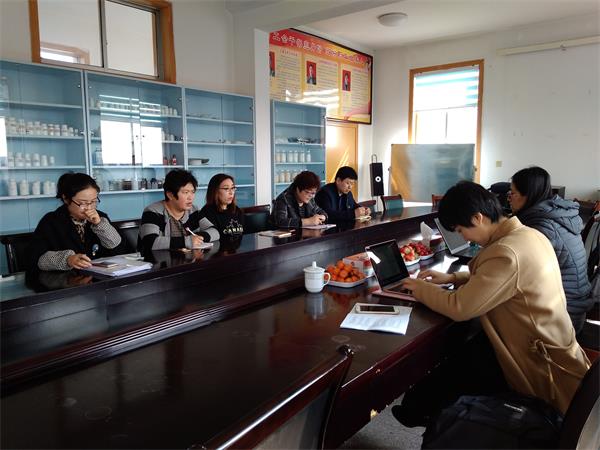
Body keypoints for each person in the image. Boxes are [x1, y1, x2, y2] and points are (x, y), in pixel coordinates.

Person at [399, 181, 589, 418]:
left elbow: (459, 307)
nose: (464, 238)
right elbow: (505, 280)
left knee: (443, 380)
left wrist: (419, 288)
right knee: (461, 359)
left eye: (460, 230)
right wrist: (453, 277)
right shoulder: (528, 235)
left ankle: (431, 417)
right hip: (548, 342)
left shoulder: (506, 252)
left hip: (536, 360)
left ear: (478, 218)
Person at [509, 166, 592, 334]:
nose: (509, 198)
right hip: (575, 305)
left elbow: (517, 272)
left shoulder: (541, 227)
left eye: (513, 193)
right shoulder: (557, 215)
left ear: (529, 195)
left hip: (564, 317)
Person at [28, 172, 123, 271]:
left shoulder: (100, 217)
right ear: (66, 199)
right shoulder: (51, 221)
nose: (89, 208)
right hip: (66, 278)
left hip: (100, 275)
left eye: (93, 201)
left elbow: (118, 248)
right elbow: (38, 259)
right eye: (83, 203)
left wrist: (100, 225)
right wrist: (68, 259)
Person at [138, 169, 219, 256]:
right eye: (185, 192)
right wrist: (187, 241)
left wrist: (199, 238)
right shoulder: (153, 211)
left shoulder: (193, 210)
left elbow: (215, 231)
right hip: (156, 262)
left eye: (192, 192)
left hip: (187, 260)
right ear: (170, 195)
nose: (190, 197)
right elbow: (150, 242)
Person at [200, 173, 245, 239]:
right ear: (215, 191)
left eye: (233, 188)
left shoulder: (237, 210)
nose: (231, 192)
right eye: (226, 188)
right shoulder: (207, 212)